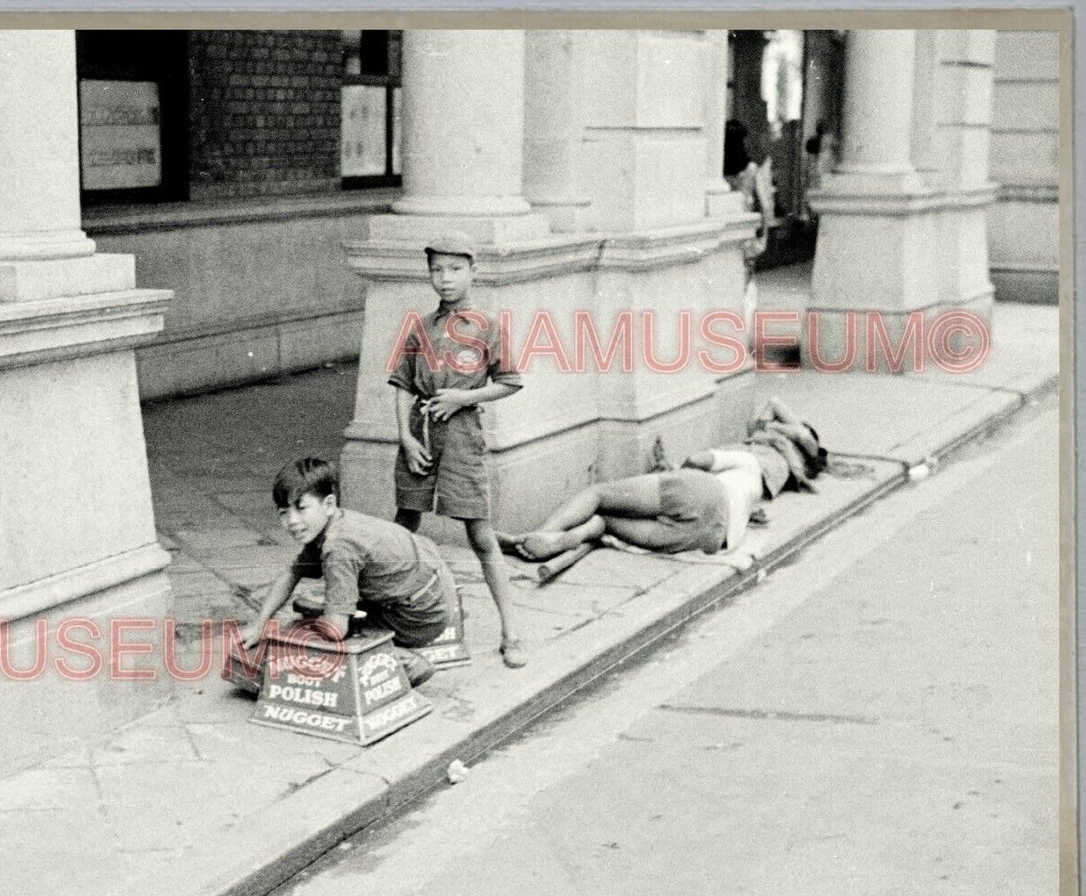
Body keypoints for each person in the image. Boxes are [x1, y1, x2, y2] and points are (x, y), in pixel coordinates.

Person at [388, 231, 527, 669]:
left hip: (463, 435)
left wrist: (461, 399)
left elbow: (509, 382)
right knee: (403, 531)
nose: (444, 279)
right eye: (436, 270)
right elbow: (401, 385)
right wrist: (405, 438)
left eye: (454, 269)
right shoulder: (420, 326)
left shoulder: (488, 326)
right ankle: (388, 619)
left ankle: (512, 631)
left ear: (472, 271)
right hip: (421, 434)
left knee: (481, 536)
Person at [231, 457, 461, 694]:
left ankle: (402, 663)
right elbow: (292, 572)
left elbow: (335, 629)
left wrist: (301, 635)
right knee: (315, 609)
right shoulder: (333, 522)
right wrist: (261, 623)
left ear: (329, 504)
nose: (292, 521)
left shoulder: (338, 547)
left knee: (315, 636)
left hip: (421, 615)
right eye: (283, 512)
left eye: (301, 508)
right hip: (432, 589)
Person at [500, 398, 826, 562]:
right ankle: (565, 541)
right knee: (607, 523)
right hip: (717, 537)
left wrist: (676, 472)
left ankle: (543, 535)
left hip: (707, 492)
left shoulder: (757, 459)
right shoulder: (773, 479)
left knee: (599, 494)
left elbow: (700, 461)